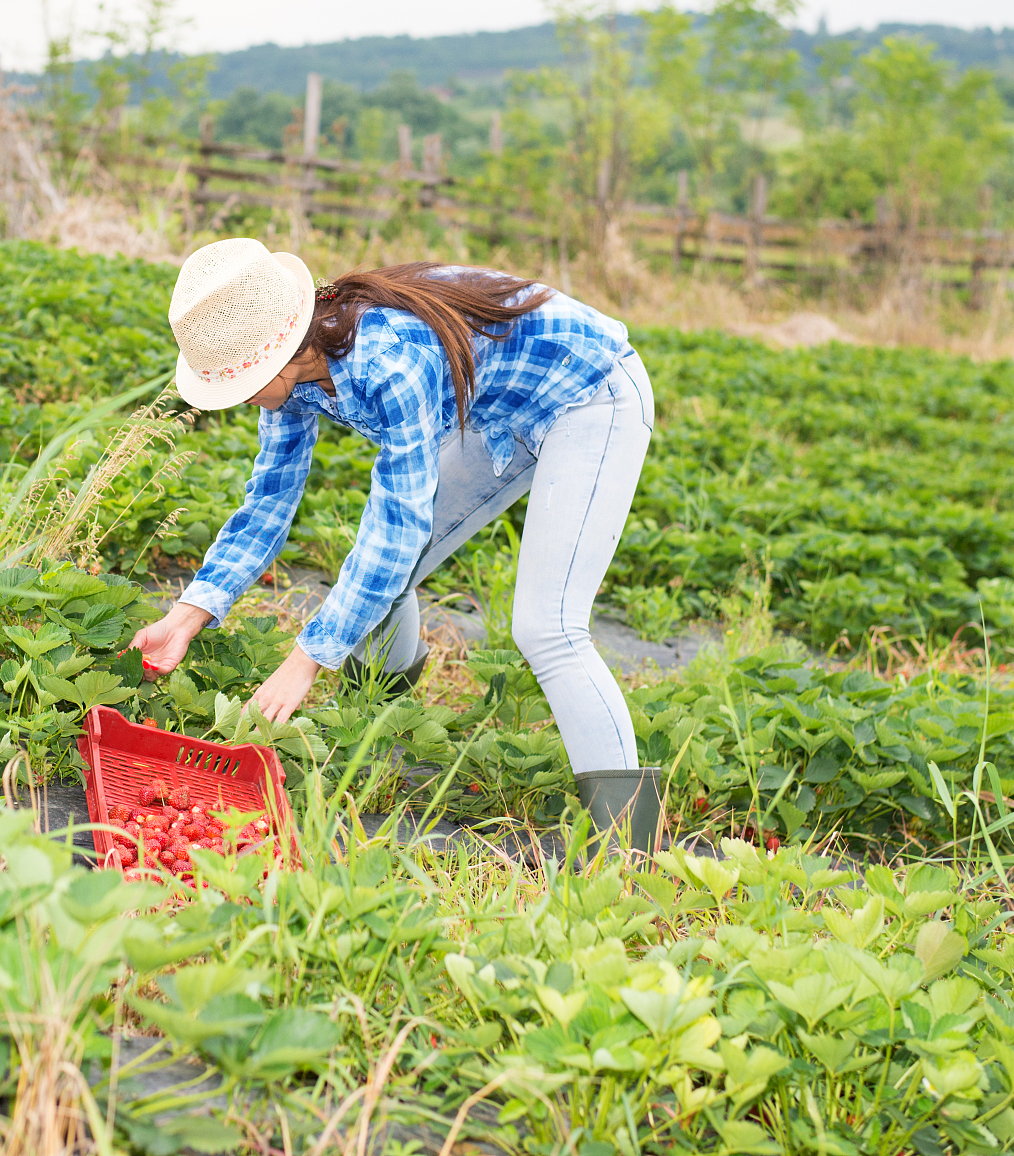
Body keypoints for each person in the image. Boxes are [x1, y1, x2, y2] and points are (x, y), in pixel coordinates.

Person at [129, 237, 661, 846]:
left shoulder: (389, 360)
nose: (237, 400)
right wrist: (189, 612)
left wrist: (306, 662)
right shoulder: (295, 378)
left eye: (239, 385)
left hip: (590, 394)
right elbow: (268, 501)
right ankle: (378, 724)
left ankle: (631, 850)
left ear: (276, 359)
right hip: (499, 408)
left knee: (547, 627)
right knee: (386, 577)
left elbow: (397, 527)